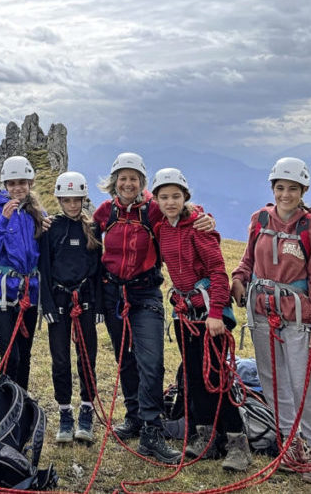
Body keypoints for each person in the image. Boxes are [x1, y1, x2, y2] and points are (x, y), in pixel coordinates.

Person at [91, 152, 214, 465]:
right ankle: (134, 417)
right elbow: (89, 238)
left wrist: (204, 216)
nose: (128, 183)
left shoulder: (155, 210)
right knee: (125, 359)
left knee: (152, 361)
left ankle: (152, 429)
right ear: (114, 182)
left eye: (134, 178)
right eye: (123, 178)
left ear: (142, 182)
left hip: (145, 293)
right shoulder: (106, 211)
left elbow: (181, 213)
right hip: (113, 293)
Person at [231, 157, 311, 484]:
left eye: (293, 188)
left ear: (303, 191)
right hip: (261, 313)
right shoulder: (259, 219)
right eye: (280, 187)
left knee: (305, 385)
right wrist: (238, 279)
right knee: (273, 383)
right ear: (273, 188)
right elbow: (247, 259)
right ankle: (288, 447)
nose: (285, 194)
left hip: (297, 316)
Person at [152, 167, 252, 472]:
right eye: (164, 197)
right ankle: (206, 439)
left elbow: (218, 273)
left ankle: (238, 445)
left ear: (186, 198)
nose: (170, 202)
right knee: (194, 377)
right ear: (155, 199)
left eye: (176, 196)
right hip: (185, 313)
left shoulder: (198, 227)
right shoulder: (161, 229)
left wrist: (216, 314)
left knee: (217, 377)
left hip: (209, 314)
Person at [39, 171, 102, 444]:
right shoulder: (50, 229)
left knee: (87, 357)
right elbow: (44, 269)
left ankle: (86, 410)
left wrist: (98, 304)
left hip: (85, 300)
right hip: (59, 301)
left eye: (77, 199)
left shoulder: (92, 229)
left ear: (83, 199)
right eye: (67, 200)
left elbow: (98, 270)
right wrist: (47, 305)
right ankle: (65, 413)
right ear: (60, 200)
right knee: (60, 360)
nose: (73, 205)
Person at [0, 155, 45, 391]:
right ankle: (6, 404)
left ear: (30, 184)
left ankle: (22, 403)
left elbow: (43, 251)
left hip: (29, 292)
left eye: (22, 183)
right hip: (2, 292)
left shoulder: (37, 213)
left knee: (25, 356)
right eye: (12, 183)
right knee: (10, 356)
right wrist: (3, 221)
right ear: (5, 185)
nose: (17, 188)